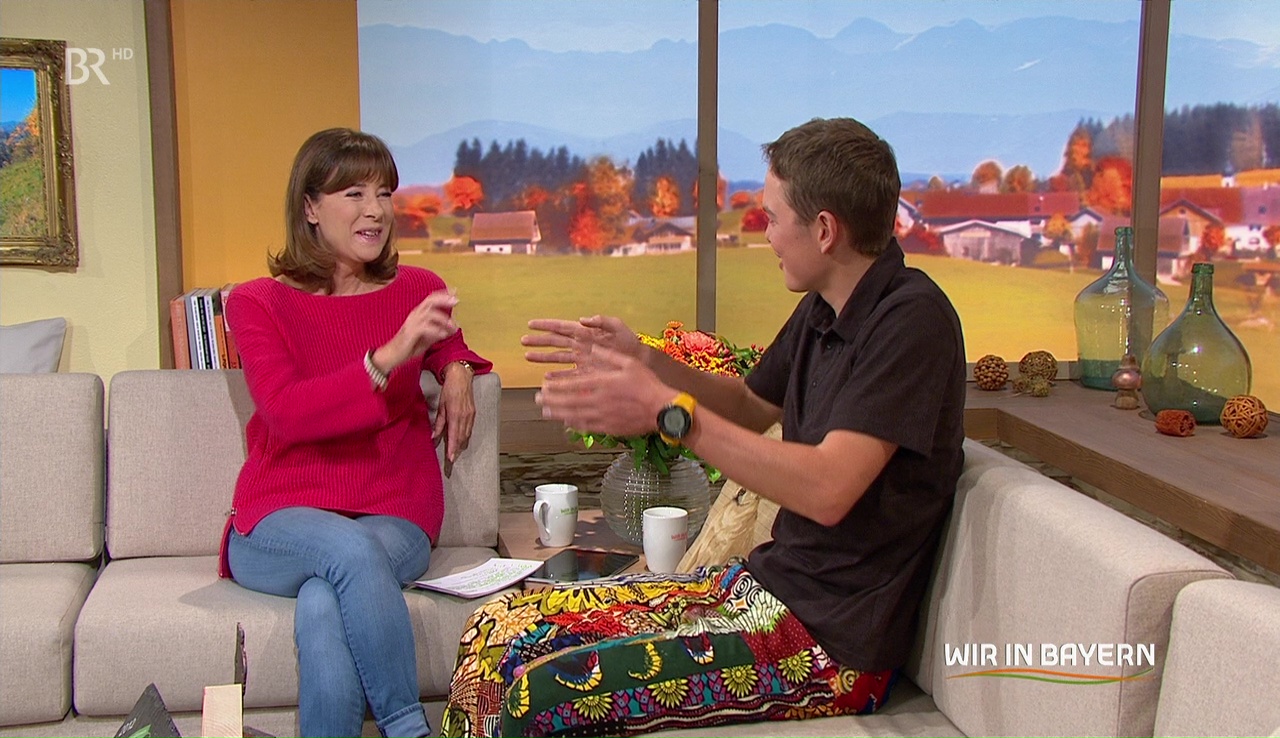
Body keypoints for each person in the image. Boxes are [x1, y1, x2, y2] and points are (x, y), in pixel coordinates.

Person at [441, 117, 965, 738]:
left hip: (829, 645)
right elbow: (747, 405)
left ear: (824, 230)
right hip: (763, 588)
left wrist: (668, 413)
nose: (764, 233)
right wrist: (646, 359)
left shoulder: (911, 322)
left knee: (536, 694)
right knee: (496, 630)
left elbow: (828, 489)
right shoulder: (823, 309)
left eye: (772, 218)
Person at [220, 127, 491, 738]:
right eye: (354, 194)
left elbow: (448, 341)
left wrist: (456, 366)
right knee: (346, 555)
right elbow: (286, 412)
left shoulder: (417, 289)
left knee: (325, 596)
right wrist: (387, 357)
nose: (376, 210)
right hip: (278, 517)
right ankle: (408, 728)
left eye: (384, 193)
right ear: (310, 208)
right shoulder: (257, 302)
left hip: (394, 510)